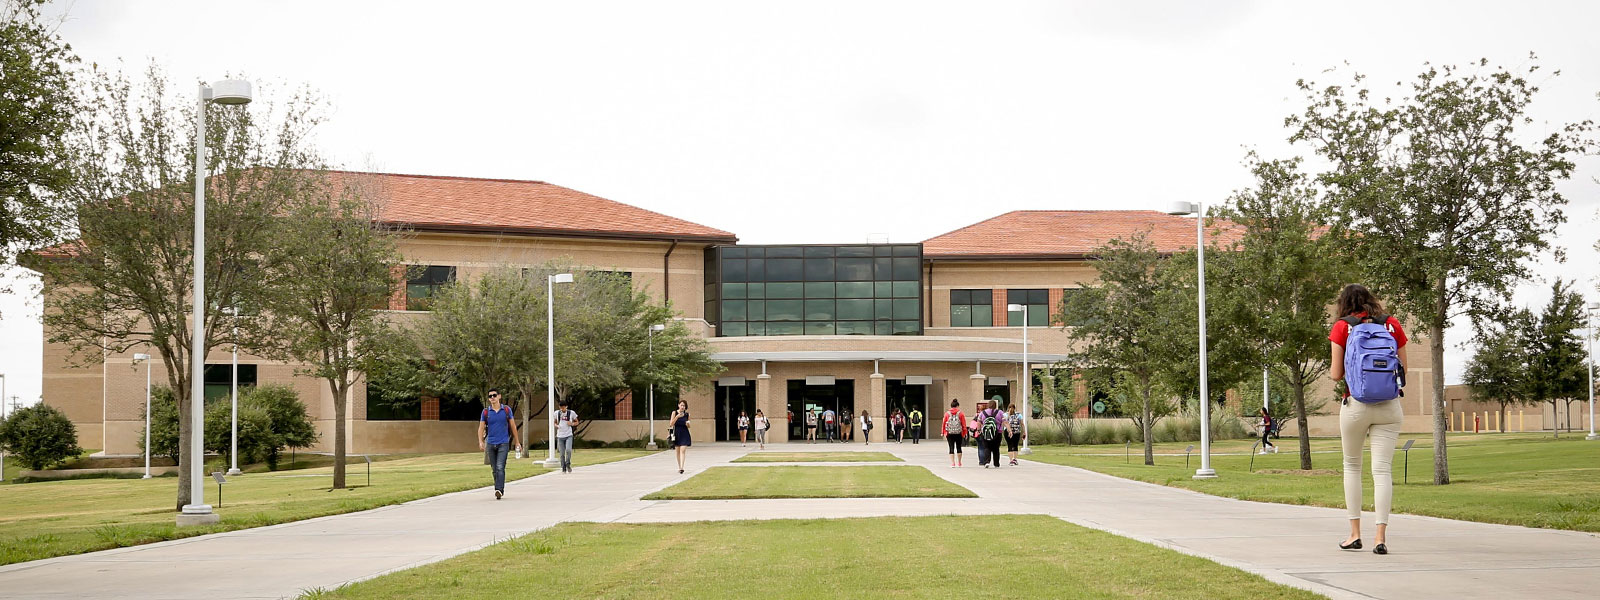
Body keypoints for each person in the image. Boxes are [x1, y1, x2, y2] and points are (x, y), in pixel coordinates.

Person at [1329, 283, 1407, 556]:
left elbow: (1336, 374)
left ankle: (1354, 534)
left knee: (1352, 467)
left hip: (1356, 405)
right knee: (1382, 471)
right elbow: (1402, 369)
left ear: (1344, 303)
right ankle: (1380, 537)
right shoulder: (1392, 325)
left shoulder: (1343, 327)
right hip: (1389, 406)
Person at [477, 389, 520, 500]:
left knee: (500, 467)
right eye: (490, 396)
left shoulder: (506, 410)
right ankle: (499, 488)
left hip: (503, 443)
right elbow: (481, 427)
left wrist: (517, 442)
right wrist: (481, 441)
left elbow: (513, 426)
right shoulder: (486, 412)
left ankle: (499, 489)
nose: (492, 397)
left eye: (494, 395)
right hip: (490, 443)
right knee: (494, 469)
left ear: (499, 396)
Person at [976, 401, 1005, 468]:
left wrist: (979, 430)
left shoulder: (983, 413)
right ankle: (996, 463)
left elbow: (978, 422)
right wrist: (1008, 430)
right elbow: (1004, 421)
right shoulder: (1000, 412)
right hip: (997, 432)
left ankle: (987, 462)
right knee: (996, 448)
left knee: (986, 447)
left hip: (985, 432)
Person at [553, 399, 579, 473]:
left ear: (566, 407)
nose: (562, 409)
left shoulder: (571, 413)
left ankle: (568, 463)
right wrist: (556, 425)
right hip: (560, 435)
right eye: (561, 407)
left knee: (568, 450)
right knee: (561, 453)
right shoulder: (557, 413)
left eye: (563, 407)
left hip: (568, 435)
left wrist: (572, 424)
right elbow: (554, 422)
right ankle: (563, 467)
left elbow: (577, 422)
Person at [941, 399, 966, 468]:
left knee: (951, 447)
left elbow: (944, 423)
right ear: (957, 406)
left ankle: (953, 463)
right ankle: (959, 463)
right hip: (958, 433)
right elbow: (963, 424)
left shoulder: (947, 413)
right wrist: (964, 432)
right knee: (959, 447)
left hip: (949, 433)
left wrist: (943, 432)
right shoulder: (961, 413)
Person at [671, 400, 692, 474]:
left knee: (682, 450)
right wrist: (677, 416)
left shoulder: (687, 414)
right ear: (678, 405)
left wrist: (688, 424)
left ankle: (682, 468)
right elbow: (671, 424)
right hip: (677, 433)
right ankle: (679, 467)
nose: (683, 407)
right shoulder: (674, 413)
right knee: (677, 451)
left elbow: (689, 426)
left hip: (685, 433)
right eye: (681, 405)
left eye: (684, 406)